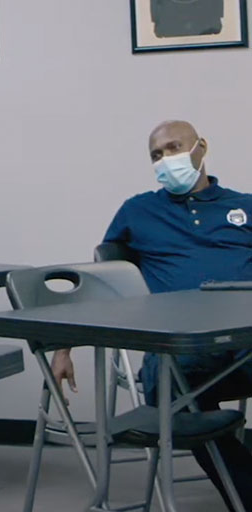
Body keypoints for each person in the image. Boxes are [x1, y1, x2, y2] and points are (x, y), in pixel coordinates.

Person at [52, 120, 252, 511]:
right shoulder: (138, 211)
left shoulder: (244, 206)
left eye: (174, 148)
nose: (165, 160)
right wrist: (64, 344)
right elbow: (98, 281)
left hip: (246, 343)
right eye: (156, 155)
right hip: (179, 352)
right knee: (175, 401)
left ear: (201, 148)